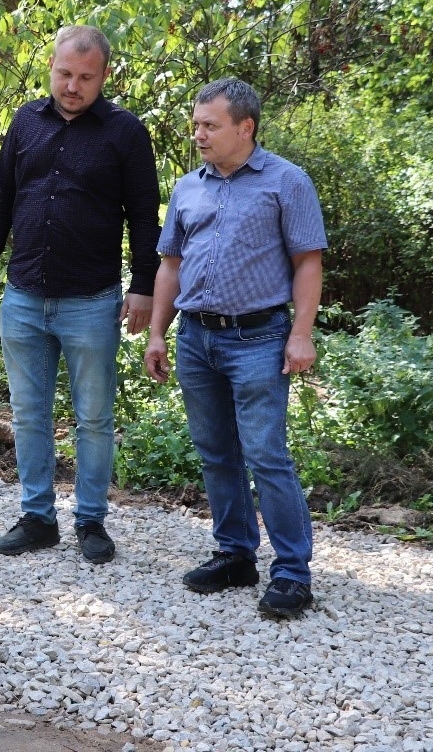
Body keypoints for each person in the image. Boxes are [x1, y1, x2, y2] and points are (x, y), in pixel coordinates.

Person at [0, 25, 161, 565]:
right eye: (64, 74)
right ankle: (38, 517)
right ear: (51, 68)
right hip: (24, 296)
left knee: (94, 417)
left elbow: (144, 216)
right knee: (28, 414)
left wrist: (143, 286)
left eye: (85, 77)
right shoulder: (25, 121)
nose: (73, 86)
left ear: (104, 76)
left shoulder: (125, 132)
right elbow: (0, 196)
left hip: (92, 301)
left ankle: (91, 520)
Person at [143, 77, 327, 620]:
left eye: (210, 125)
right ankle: (236, 554)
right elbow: (170, 265)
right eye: (196, 124)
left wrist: (301, 333)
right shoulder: (187, 188)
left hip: (258, 338)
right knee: (216, 451)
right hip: (196, 337)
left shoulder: (287, 182)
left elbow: (308, 262)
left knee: (266, 455)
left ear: (245, 127)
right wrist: (158, 332)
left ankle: (292, 573)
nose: (198, 135)